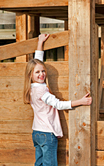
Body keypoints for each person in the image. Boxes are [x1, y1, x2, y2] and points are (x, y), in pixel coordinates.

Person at [23, 34, 92, 166]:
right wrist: (81, 102)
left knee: (39, 164)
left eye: (43, 71)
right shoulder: (41, 91)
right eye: (37, 73)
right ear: (30, 75)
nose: (41, 74)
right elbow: (58, 104)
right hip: (47, 134)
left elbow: (37, 62)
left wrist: (40, 43)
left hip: (37, 132)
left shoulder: (32, 87)